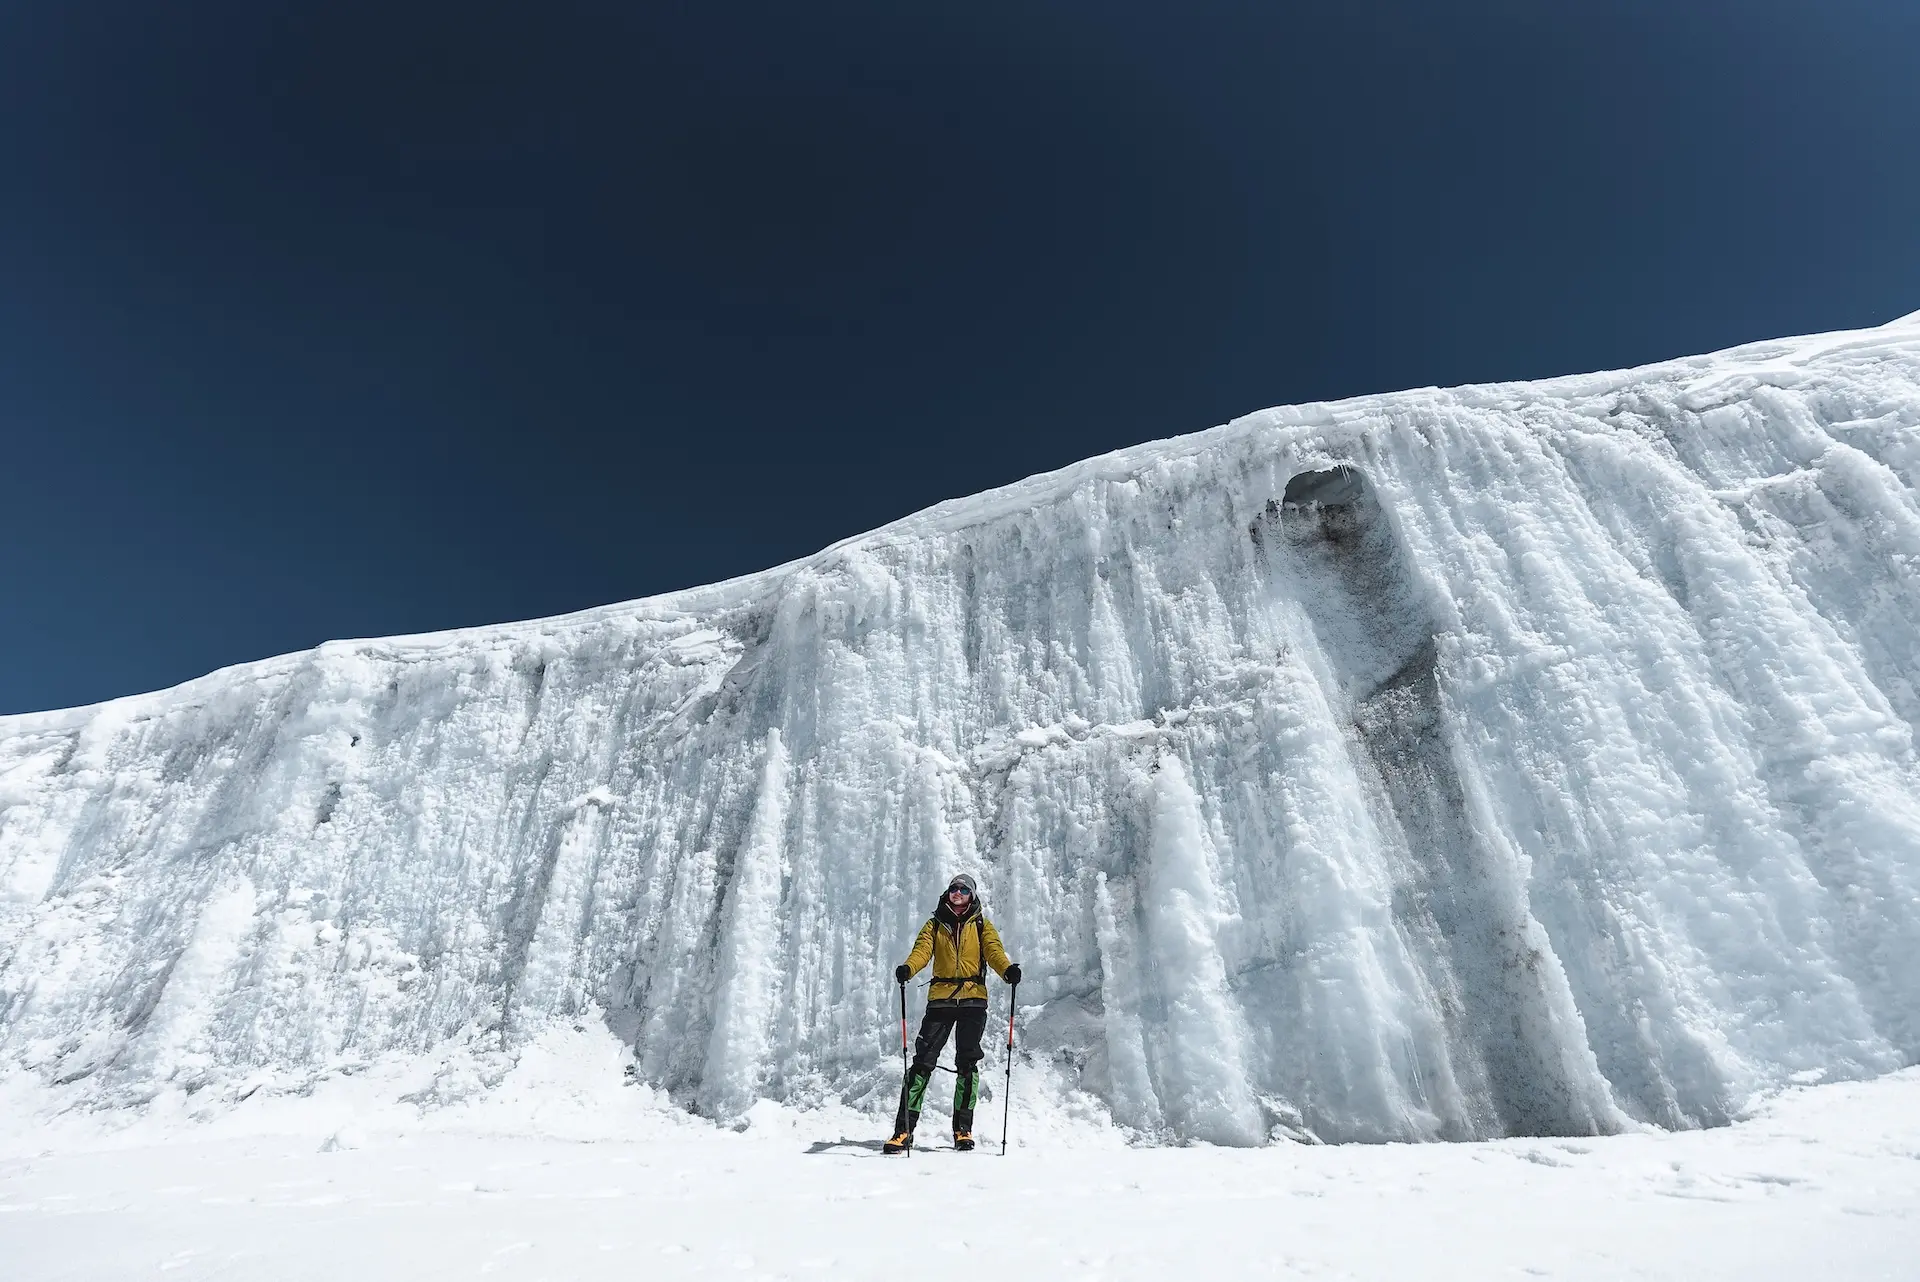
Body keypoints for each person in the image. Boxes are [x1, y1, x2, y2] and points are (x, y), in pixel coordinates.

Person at [885, 873, 1021, 1154]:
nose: (957, 893)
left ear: (971, 895)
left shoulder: (981, 925)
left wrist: (1007, 971)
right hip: (941, 1001)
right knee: (922, 1061)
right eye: (953, 889)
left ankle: (963, 1130)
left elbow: (993, 951)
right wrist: (909, 968)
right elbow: (922, 951)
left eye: (963, 890)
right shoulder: (935, 924)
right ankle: (903, 1131)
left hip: (973, 1000)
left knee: (967, 1064)